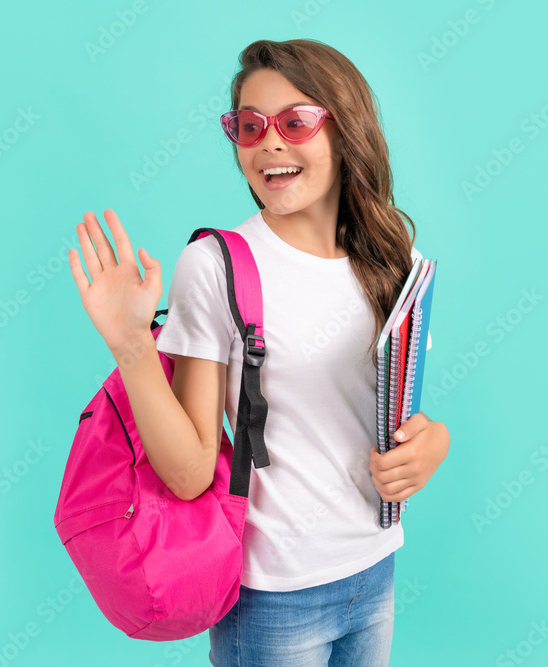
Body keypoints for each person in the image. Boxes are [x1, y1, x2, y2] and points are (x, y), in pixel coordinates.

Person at [68, 38, 450, 667]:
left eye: (295, 122)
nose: (269, 142)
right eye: (249, 126)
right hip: (273, 595)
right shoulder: (215, 265)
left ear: (345, 130)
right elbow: (190, 471)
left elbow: (402, 415)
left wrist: (433, 443)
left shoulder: (393, 262)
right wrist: (131, 344)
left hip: (374, 568)